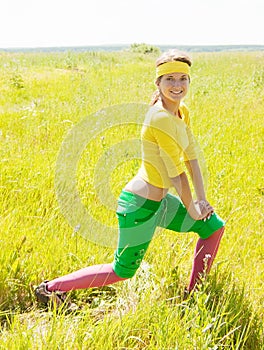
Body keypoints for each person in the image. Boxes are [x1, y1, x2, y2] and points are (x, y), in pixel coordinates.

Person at [35, 49, 225, 308]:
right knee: (122, 271)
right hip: (139, 206)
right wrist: (193, 206)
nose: (177, 85)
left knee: (213, 227)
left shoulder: (182, 112)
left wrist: (202, 201)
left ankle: (193, 296)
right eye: (170, 79)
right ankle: (50, 289)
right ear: (158, 82)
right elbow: (176, 174)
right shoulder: (160, 118)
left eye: (183, 78)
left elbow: (191, 157)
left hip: (161, 203)